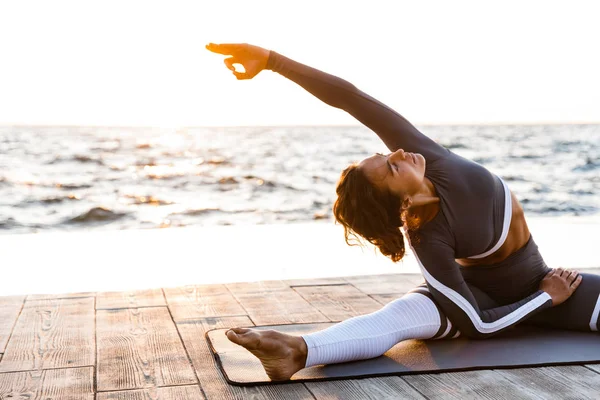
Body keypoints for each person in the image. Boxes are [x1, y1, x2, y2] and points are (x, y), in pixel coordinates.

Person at [205, 42, 600, 381]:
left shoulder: (424, 155)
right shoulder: (428, 237)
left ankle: (297, 349)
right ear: (402, 203)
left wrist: (273, 60)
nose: (397, 153)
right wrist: (547, 298)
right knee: (405, 314)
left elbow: (350, 98)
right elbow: (479, 325)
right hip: (486, 299)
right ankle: (296, 350)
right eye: (391, 167)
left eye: (384, 155)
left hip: (537, 283)